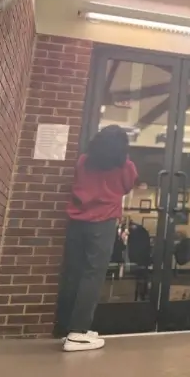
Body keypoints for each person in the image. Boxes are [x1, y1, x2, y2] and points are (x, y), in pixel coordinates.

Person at [56, 124, 138, 352]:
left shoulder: (83, 161)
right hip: (102, 223)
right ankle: (78, 332)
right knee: (93, 274)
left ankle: (67, 328)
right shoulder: (125, 166)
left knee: (74, 272)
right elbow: (127, 186)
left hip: (77, 222)